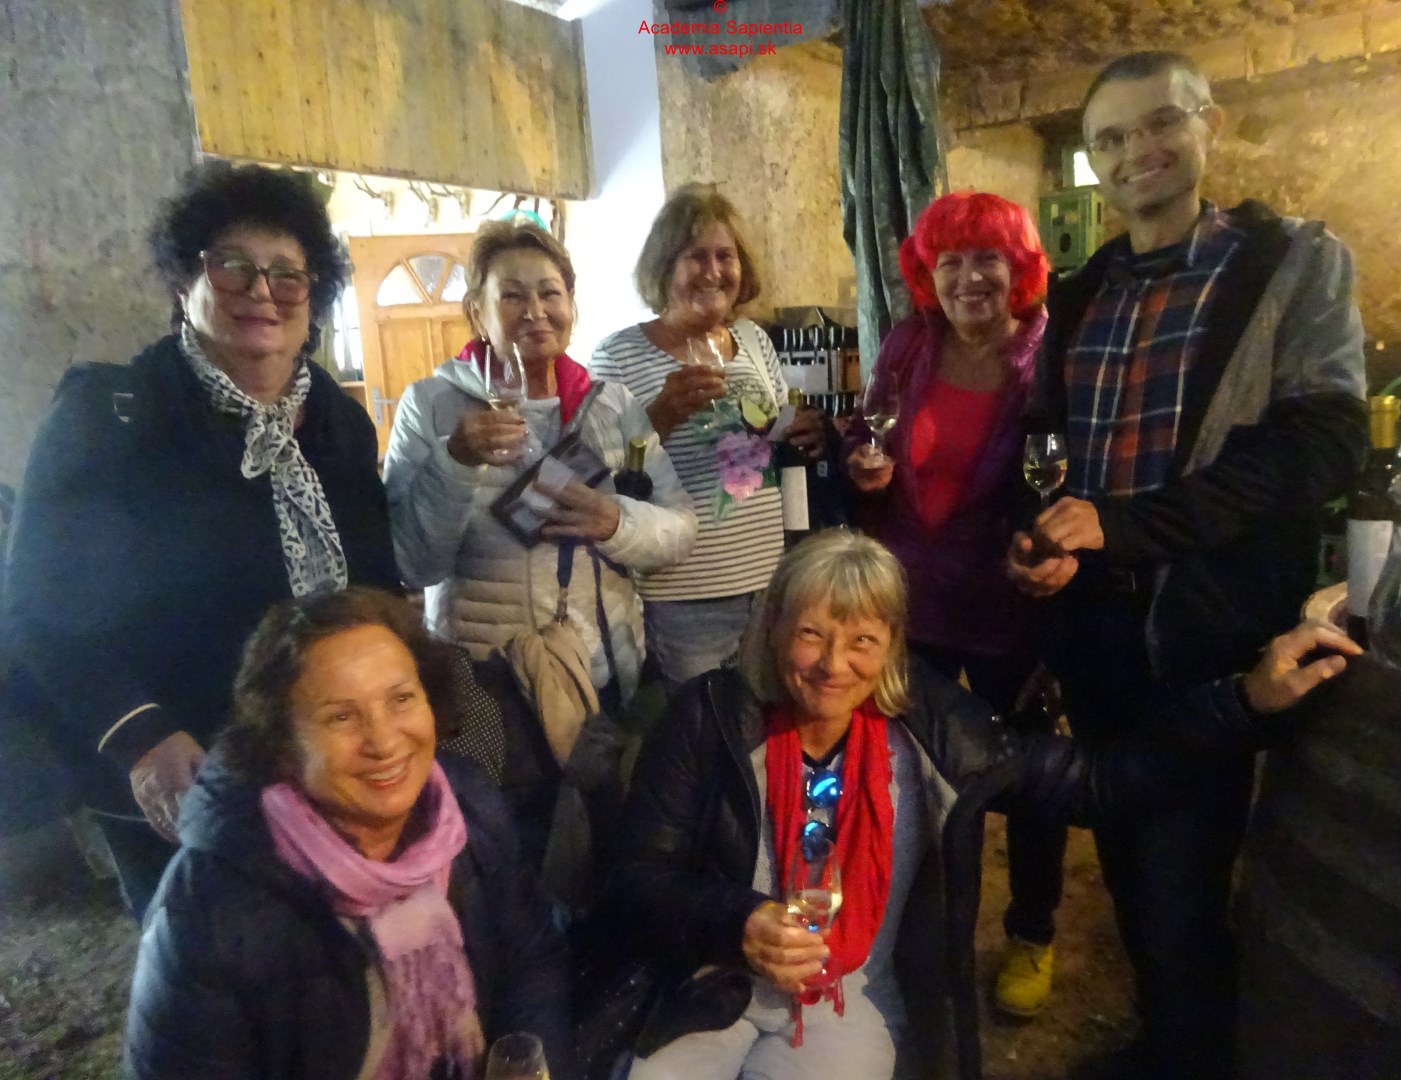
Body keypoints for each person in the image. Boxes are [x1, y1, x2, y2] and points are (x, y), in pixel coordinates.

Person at [602, 531, 1356, 1080]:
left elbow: (1097, 782)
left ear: (894, 643)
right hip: (713, 980)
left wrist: (1245, 702)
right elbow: (636, 879)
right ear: (774, 631)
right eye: (810, 634)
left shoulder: (933, 730)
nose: (833, 665)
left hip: (847, 997)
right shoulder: (711, 718)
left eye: (862, 639)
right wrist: (736, 919)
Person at [1005, 52, 1367, 1080]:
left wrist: (1124, 528)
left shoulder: (1290, 262)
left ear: (1209, 122)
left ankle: (1190, 1051)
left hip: (1205, 631)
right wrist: (1042, 542)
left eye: (1160, 123)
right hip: (1098, 632)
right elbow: (1049, 450)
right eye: (1111, 139)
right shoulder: (1081, 294)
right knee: (1129, 858)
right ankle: (1170, 1041)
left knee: (1184, 883)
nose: (1138, 152)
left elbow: (1321, 447)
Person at [2, 162, 400, 918]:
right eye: (233, 266)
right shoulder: (114, 415)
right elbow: (38, 611)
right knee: (210, 967)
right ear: (186, 281)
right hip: (185, 778)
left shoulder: (339, 423)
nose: (261, 291)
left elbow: (375, 582)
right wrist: (141, 737)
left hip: (327, 759)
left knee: (332, 950)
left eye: (287, 274)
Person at [124, 587, 573, 1079]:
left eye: (401, 699)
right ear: (282, 743)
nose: (383, 741)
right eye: (341, 716)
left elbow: (531, 965)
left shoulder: (468, 808)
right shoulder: (209, 907)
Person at [844, 191, 1065, 1017]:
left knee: (1031, 777)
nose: (969, 278)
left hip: (1010, 606)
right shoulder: (909, 345)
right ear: (927, 275)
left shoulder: (1050, 355)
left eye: (987, 259)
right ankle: (922, 932)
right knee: (911, 774)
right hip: (912, 604)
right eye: (950, 262)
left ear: (1020, 269)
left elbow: (1068, 475)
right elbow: (868, 433)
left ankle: (1033, 931)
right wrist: (862, 465)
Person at [383, 217, 696, 709]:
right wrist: (455, 460)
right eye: (512, 296)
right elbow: (414, 566)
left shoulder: (611, 405)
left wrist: (616, 522)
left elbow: (680, 530)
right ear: (477, 312)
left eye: (550, 293)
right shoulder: (430, 406)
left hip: (600, 671)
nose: (536, 312)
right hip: (485, 679)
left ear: (571, 304)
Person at [589, 184, 829, 685]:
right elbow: (598, 473)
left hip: (770, 581)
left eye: (725, 256)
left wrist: (803, 430)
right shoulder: (618, 355)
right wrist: (659, 417)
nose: (714, 271)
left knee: (767, 715)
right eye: (696, 256)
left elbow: (775, 429)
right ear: (664, 266)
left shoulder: (753, 339)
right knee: (704, 723)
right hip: (685, 593)